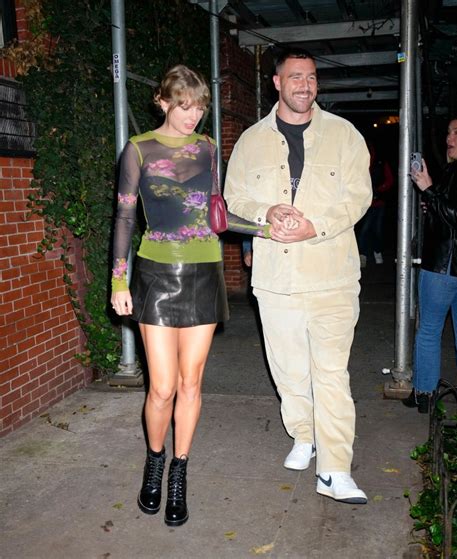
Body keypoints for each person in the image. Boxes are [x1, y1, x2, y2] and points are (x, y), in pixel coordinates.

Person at [110, 65, 267, 526]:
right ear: (162, 102)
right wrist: (119, 281)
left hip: (204, 271)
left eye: (199, 106)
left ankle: (179, 470)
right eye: (184, 106)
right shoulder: (139, 148)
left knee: (191, 383)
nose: (193, 115)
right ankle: (155, 459)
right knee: (161, 387)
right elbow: (124, 218)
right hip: (156, 273)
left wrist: (263, 229)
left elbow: (218, 213)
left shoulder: (208, 148)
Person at [224, 48, 372, 504]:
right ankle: (304, 434)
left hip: (332, 278)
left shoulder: (344, 136)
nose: (304, 85)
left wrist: (315, 226)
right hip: (276, 281)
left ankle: (335, 469)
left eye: (310, 77)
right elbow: (233, 202)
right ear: (277, 83)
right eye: (294, 77)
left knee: (331, 375)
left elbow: (358, 197)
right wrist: (266, 211)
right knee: (289, 372)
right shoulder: (251, 141)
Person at [403, 116, 457, 413]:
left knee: (429, 330)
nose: (450, 138)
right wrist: (433, 203)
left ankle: (424, 394)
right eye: (448, 133)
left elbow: (455, 215)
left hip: (445, 266)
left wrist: (428, 188)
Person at [357, 141, 394, 267]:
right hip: (363, 203)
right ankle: (363, 256)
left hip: (379, 202)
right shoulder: (359, 163)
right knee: (364, 229)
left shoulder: (380, 162)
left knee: (377, 230)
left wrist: (378, 190)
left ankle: (377, 252)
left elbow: (389, 180)